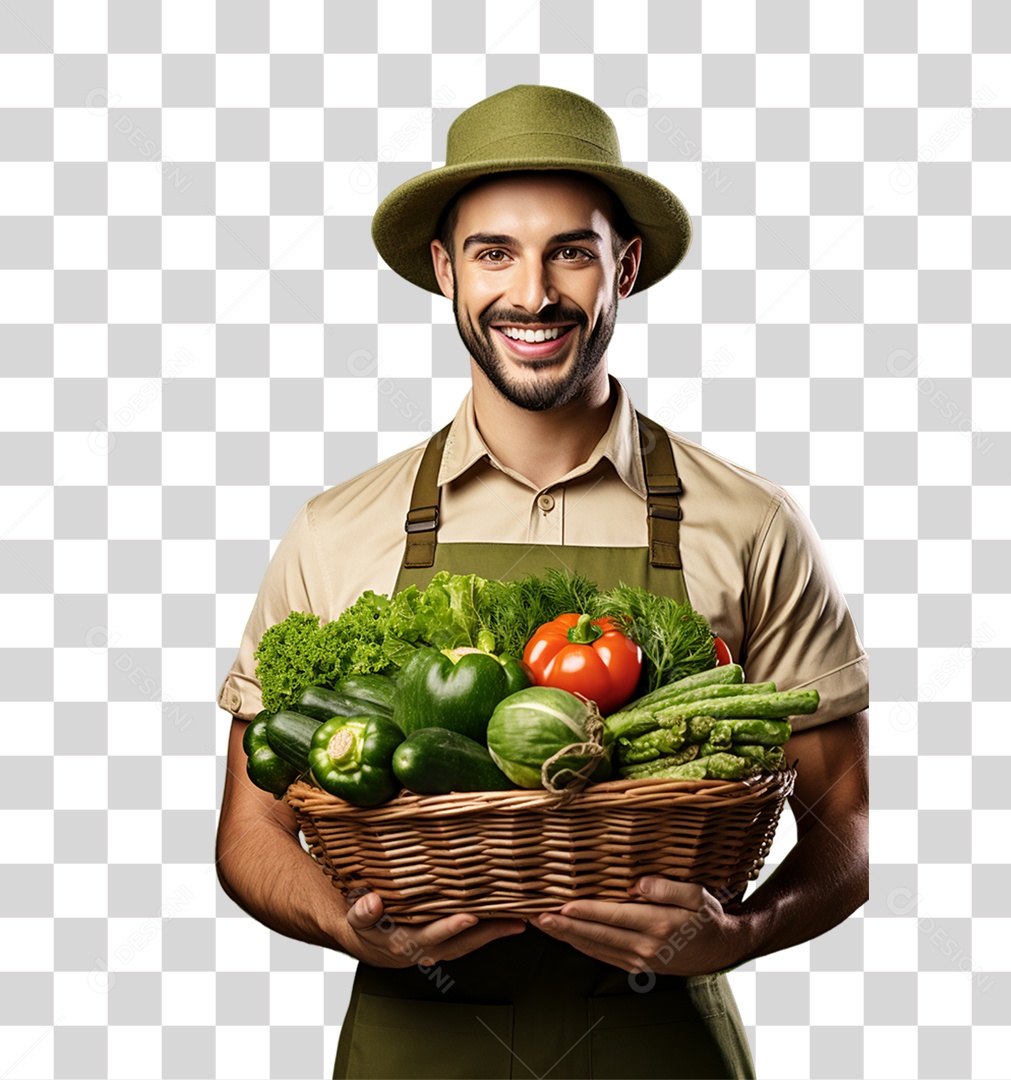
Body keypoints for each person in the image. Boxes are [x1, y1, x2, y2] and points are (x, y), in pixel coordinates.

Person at [216, 84, 869, 1080]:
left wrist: (739, 934)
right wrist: (348, 927)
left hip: (661, 1043)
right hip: (414, 1042)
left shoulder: (750, 521)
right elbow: (251, 829)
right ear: (445, 269)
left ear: (625, 267)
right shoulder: (337, 528)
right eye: (494, 253)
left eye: (571, 251)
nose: (533, 294)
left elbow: (846, 822)